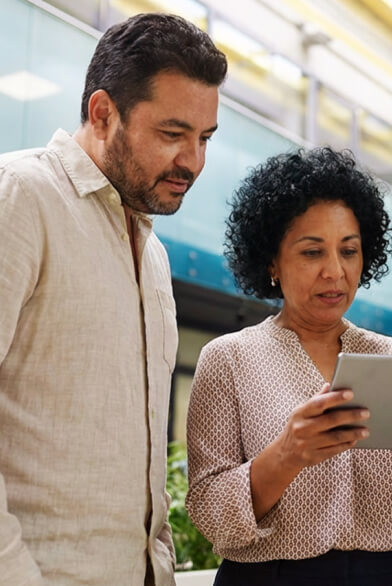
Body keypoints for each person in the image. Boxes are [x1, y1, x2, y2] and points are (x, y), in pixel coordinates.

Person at [186, 147, 392, 586]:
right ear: (272, 261)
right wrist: (287, 455)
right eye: (312, 252)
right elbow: (209, 511)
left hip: (390, 576)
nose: (335, 272)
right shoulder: (228, 359)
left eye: (349, 251)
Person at [0, 13, 227, 586]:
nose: (193, 162)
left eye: (204, 139)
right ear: (103, 113)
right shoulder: (19, 197)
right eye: (173, 135)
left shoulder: (153, 254)